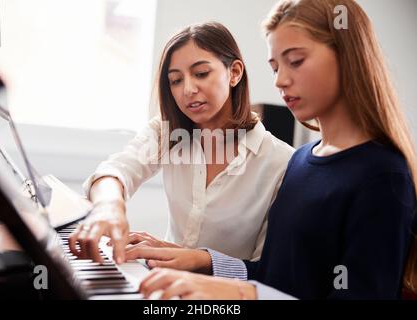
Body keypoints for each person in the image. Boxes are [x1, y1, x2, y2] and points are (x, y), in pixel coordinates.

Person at [126, 0, 417, 300]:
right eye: (275, 66)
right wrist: (202, 260)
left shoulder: (383, 175)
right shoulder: (302, 162)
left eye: (295, 61)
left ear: (346, 57)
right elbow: (274, 277)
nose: (279, 80)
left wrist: (241, 294)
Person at [68, 22, 294, 265]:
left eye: (201, 74)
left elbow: (267, 270)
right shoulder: (168, 133)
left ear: (235, 73)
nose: (187, 89)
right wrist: (109, 206)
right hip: (161, 280)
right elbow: (116, 170)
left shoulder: (281, 163)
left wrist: (196, 260)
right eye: (175, 80)